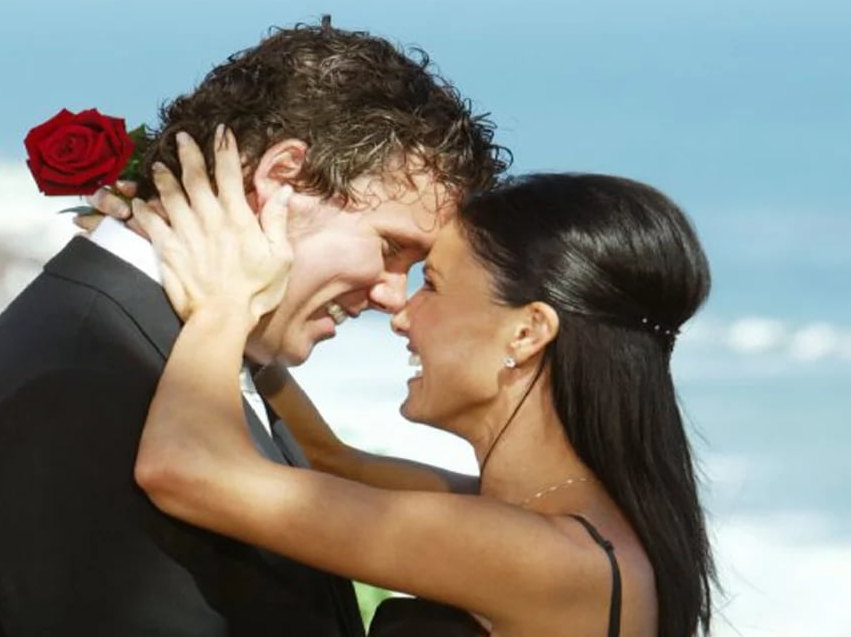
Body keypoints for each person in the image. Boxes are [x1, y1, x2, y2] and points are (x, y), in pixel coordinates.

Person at [0, 19, 506, 636]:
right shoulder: (82, 388)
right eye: (389, 248)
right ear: (280, 181)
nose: (389, 296)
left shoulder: (166, 344)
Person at [115, 130, 715, 636]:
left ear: (528, 332)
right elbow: (326, 460)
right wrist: (239, 301)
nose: (401, 313)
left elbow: (186, 472)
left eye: (434, 285)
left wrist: (227, 299)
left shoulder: (546, 555)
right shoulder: (527, 514)